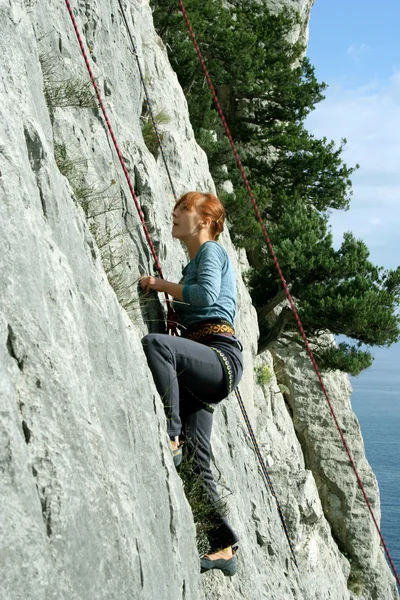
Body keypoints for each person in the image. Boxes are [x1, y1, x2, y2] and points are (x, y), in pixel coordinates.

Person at [140, 191, 243, 576]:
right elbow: (196, 298)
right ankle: (223, 547)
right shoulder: (194, 263)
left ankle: (171, 435)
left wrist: (159, 285)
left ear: (203, 221)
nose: (175, 214)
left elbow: (206, 296)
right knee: (198, 460)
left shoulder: (212, 252)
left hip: (219, 356)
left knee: (156, 346)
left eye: (183, 210)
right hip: (205, 361)